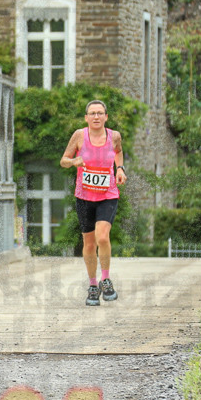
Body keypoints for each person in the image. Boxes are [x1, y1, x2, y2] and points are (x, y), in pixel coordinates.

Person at [60, 100, 127, 306]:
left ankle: (105, 279)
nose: (96, 117)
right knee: (89, 244)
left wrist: (120, 169)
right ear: (86, 118)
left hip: (108, 195)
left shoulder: (114, 136)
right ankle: (92, 285)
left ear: (106, 117)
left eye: (100, 113)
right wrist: (73, 162)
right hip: (84, 197)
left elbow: (118, 152)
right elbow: (63, 160)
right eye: (92, 113)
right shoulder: (79, 136)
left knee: (103, 237)